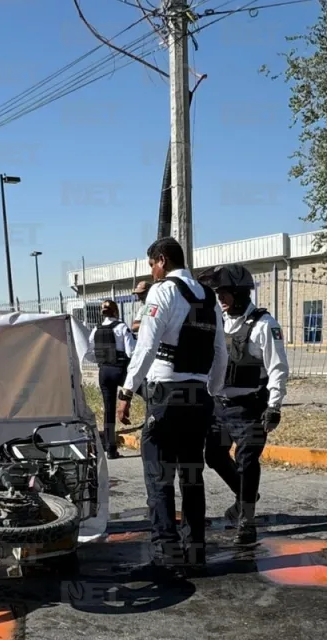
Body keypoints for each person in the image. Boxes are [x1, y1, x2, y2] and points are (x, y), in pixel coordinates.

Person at [117, 237, 226, 572]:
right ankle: (195, 551)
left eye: (152, 265)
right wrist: (213, 392)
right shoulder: (210, 298)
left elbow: (146, 347)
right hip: (200, 398)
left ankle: (166, 555)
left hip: (166, 395)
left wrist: (125, 393)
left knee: (159, 477)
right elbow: (220, 353)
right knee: (192, 476)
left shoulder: (163, 291)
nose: (152, 272)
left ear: (161, 260)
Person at [201, 264, 289, 545]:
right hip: (219, 405)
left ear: (239, 293)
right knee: (214, 456)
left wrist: (274, 406)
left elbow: (278, 368)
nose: (220, 298)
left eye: (224, 293)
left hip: (250, 407)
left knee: (247, 459)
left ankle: (246, 520)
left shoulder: (264, 324)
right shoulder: (220, 322)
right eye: (218, 293)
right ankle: (245, 495)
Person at [86, 299, 135, 458]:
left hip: (104, 372)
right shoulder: (121, 327)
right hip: (120, 370)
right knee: (148, 394)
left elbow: (90, 353)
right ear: (116, 312)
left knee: (108, 410)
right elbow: (130, 352)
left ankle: (110, 449)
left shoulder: (95, 330)